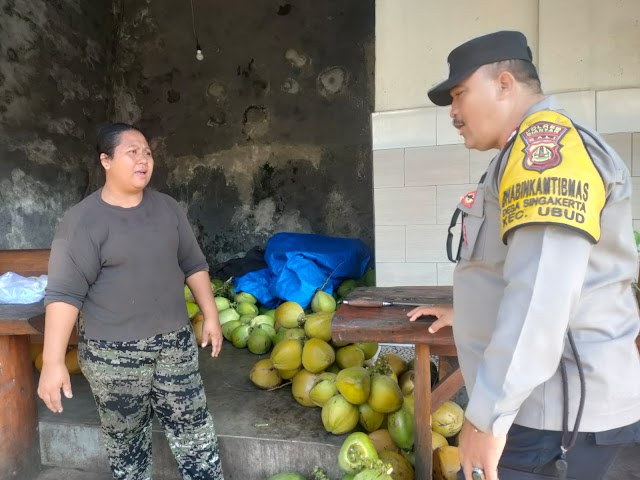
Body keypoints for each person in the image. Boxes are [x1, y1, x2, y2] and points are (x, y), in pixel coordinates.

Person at [408, 31, 640, 480]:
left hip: (555, 416)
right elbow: (524, 270)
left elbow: (542, 293)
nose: (453, 113)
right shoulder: (516, 155)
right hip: (540, 403)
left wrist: (487, 416)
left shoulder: (546, 151)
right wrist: (469, 311)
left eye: (460, 94)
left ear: (505, 84)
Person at [37, 123, 225, 480]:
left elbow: (194, 264)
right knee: (127, 444)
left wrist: (211, 315)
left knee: (195, 433)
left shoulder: (168, 209)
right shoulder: (82, 222)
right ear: (106, 160)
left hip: (175, 345)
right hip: (113, 355)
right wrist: (52, 361)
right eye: (132, 152)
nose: (143, 159)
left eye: (148, 152)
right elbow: (64, 295)